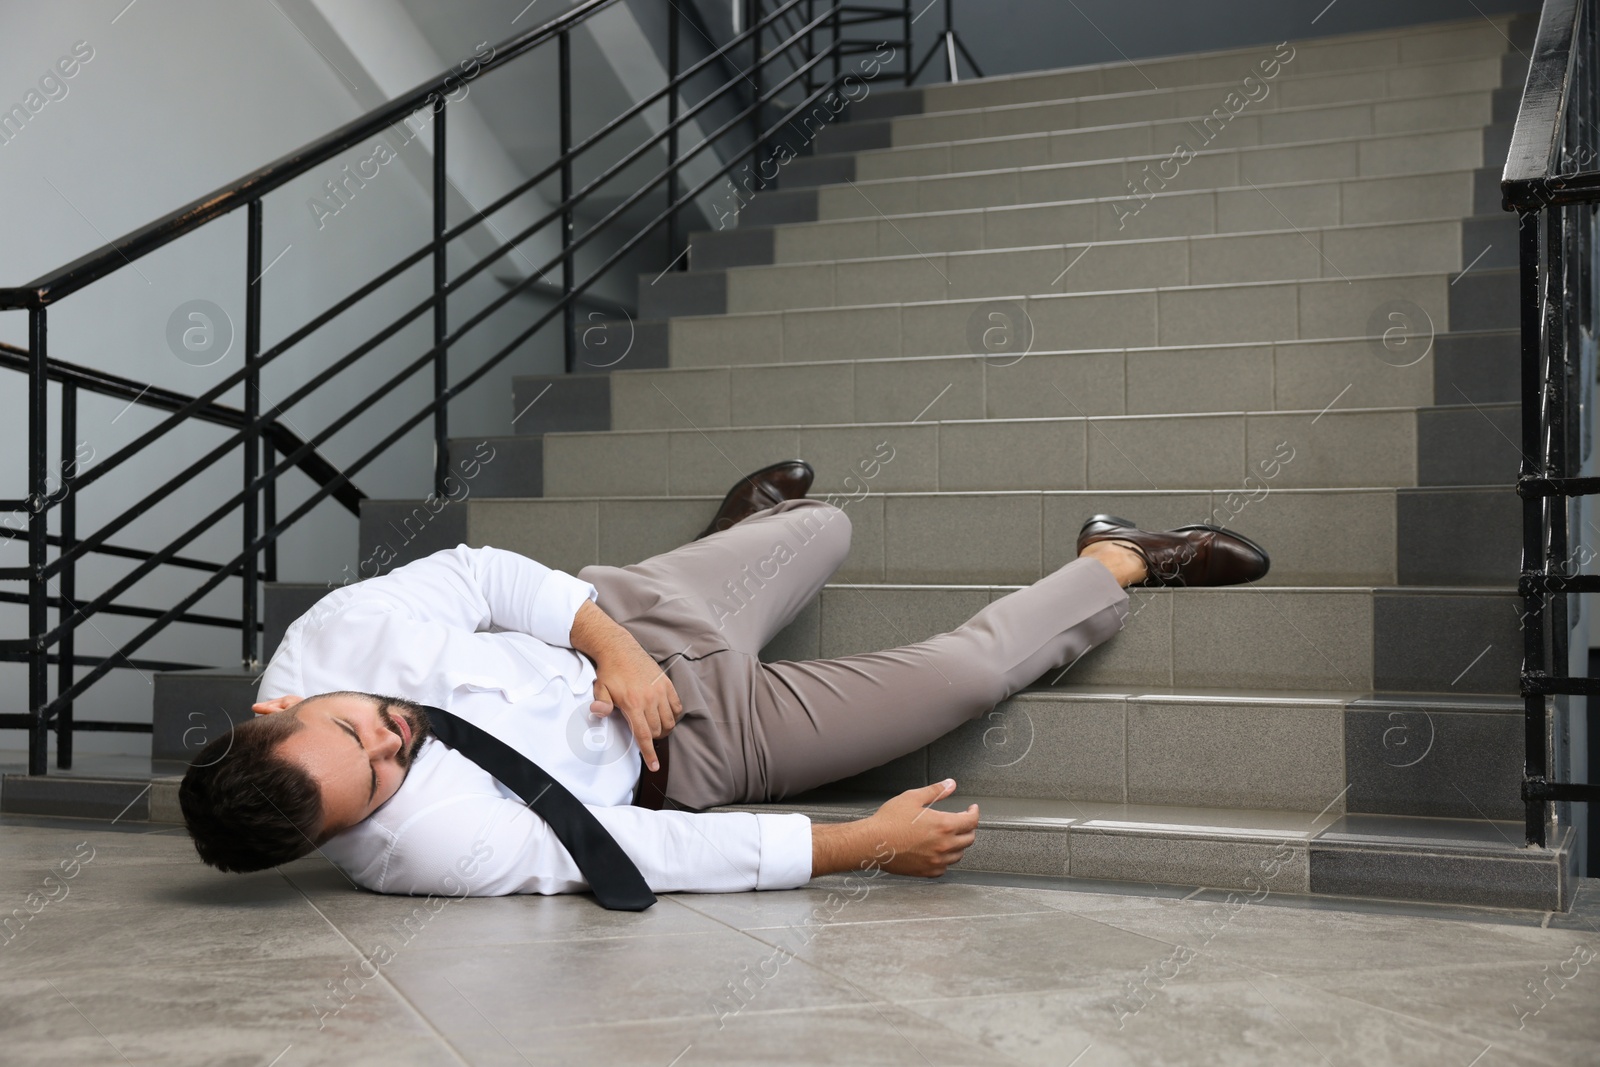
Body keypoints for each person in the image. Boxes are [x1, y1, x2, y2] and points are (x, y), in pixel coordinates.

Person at [179, 460, 1269, 899]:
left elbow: (481, 573)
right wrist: (858, 843)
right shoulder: (419, 851)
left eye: (357, 725)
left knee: (828, 524)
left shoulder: (333, 637)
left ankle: (731, 541)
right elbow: (637, 846)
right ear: (339, 836)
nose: (392, 739)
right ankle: (1122, 556)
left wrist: (614, 645)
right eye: (375, 775)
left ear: (280, 705)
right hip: (696, 744)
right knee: (964, 673)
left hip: (623, 618)